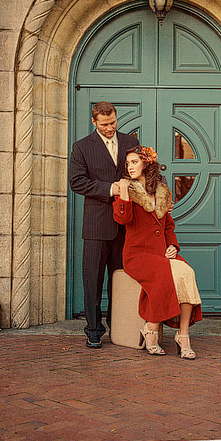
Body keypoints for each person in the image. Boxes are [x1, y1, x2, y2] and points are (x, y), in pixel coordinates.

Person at [113, 145, 202, 359]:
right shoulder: (127, 190)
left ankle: (183, 335)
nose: (130, 167)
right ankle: (151, 330)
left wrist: (172, 245)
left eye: (134, 162)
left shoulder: (162, 192)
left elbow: (168, 226)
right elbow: (123, 220)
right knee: (163, 275)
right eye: (128, 163)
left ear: (147, 163)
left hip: (161, 252)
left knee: (187, 273)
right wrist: (124, 193)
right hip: (137, 255)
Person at [69, 101, 140, 348]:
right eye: (104, 124)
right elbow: (77, 182)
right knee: (93, 280)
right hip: (96, 226)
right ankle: (93, 330)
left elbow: (142, 172)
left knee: (122, 281)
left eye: (113, 123)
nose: (110, 128)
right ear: (94, 122)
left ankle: (120, 327)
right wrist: (110, 188)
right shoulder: (81, 147)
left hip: (127, 225)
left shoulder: (131, 143)